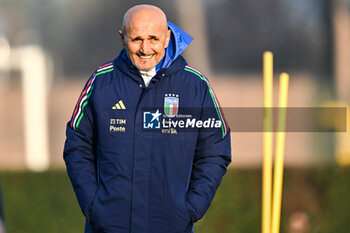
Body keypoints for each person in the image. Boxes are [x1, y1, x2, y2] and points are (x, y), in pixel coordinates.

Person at [64, 4, 231, 233]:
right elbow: (77, 147)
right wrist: (94, 206)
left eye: (153, 38)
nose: (145, 48)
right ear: (122, 38)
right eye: (136, 39)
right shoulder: (101, 83)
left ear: (166, 37)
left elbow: (215, 151)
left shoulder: (195, 86)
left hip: (171, 227)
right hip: (109, 227)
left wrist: (191, 208)